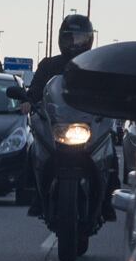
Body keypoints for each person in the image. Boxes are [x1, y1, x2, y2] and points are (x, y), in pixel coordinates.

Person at [23, 12, 96, 214]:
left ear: (89, 40)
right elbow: (36, 90)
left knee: (105, 154)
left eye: (79, 38)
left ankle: (107, 196)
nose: (73, 43)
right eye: (69, 38)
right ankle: (38, 194)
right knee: (36, 150)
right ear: (60, 39)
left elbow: (106, 90)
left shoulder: (95, 64)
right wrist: (28, 102)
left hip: (87, 123)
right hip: (57, 124)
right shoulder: (49, 65)